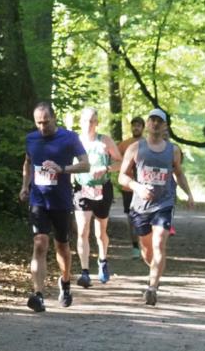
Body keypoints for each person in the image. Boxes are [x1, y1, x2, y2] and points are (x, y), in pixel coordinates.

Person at [118, 108, 194, 306]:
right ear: (147, 124)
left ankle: (152, 288)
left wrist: (189, 193)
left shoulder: (173, 150)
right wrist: (137, 187)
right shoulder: (135, 148)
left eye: (159, 121)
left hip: (164, 203)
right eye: (152, 120)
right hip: (141, 206)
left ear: (165, 125)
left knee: (159, 242)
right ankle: (153, 272)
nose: (155, 123)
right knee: (147, 252)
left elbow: (179, 174)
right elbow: (122, 176)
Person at [19, 101, 90, 312]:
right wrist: (25, 186)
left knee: (62, 246)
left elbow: (85, 164)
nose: (42, 127)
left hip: (61, 200)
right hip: (38, 199)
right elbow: (28, 163)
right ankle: (38, 295)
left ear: (54, 118)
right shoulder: (31, 139)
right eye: (38, 123)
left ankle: (65, 282)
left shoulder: (69, 138)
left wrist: (63, 169)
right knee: (40, 243)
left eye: (46, 123)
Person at [72, 108, 122, 287]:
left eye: (92, 121)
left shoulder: (105, 141)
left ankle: (102, 261)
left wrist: (106, 169)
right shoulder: (74, 141)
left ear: (97, 123)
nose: (88, 125)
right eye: (85, 121)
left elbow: (120, 161)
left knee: (100, 232)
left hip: (102, 188)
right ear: (80, 122)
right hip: (81, 189)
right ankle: (85, 272)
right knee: (82, 230)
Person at [118, 116, 145, 259]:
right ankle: (135, 247)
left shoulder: (148, 144)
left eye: (139, 126)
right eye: (134, 125)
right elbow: (115, 159)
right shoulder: (124, 145)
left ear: (143, 128)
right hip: (128, 188)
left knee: (144, 217)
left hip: (145, 188)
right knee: (131, 219)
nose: (136, 128)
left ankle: (145, 245)